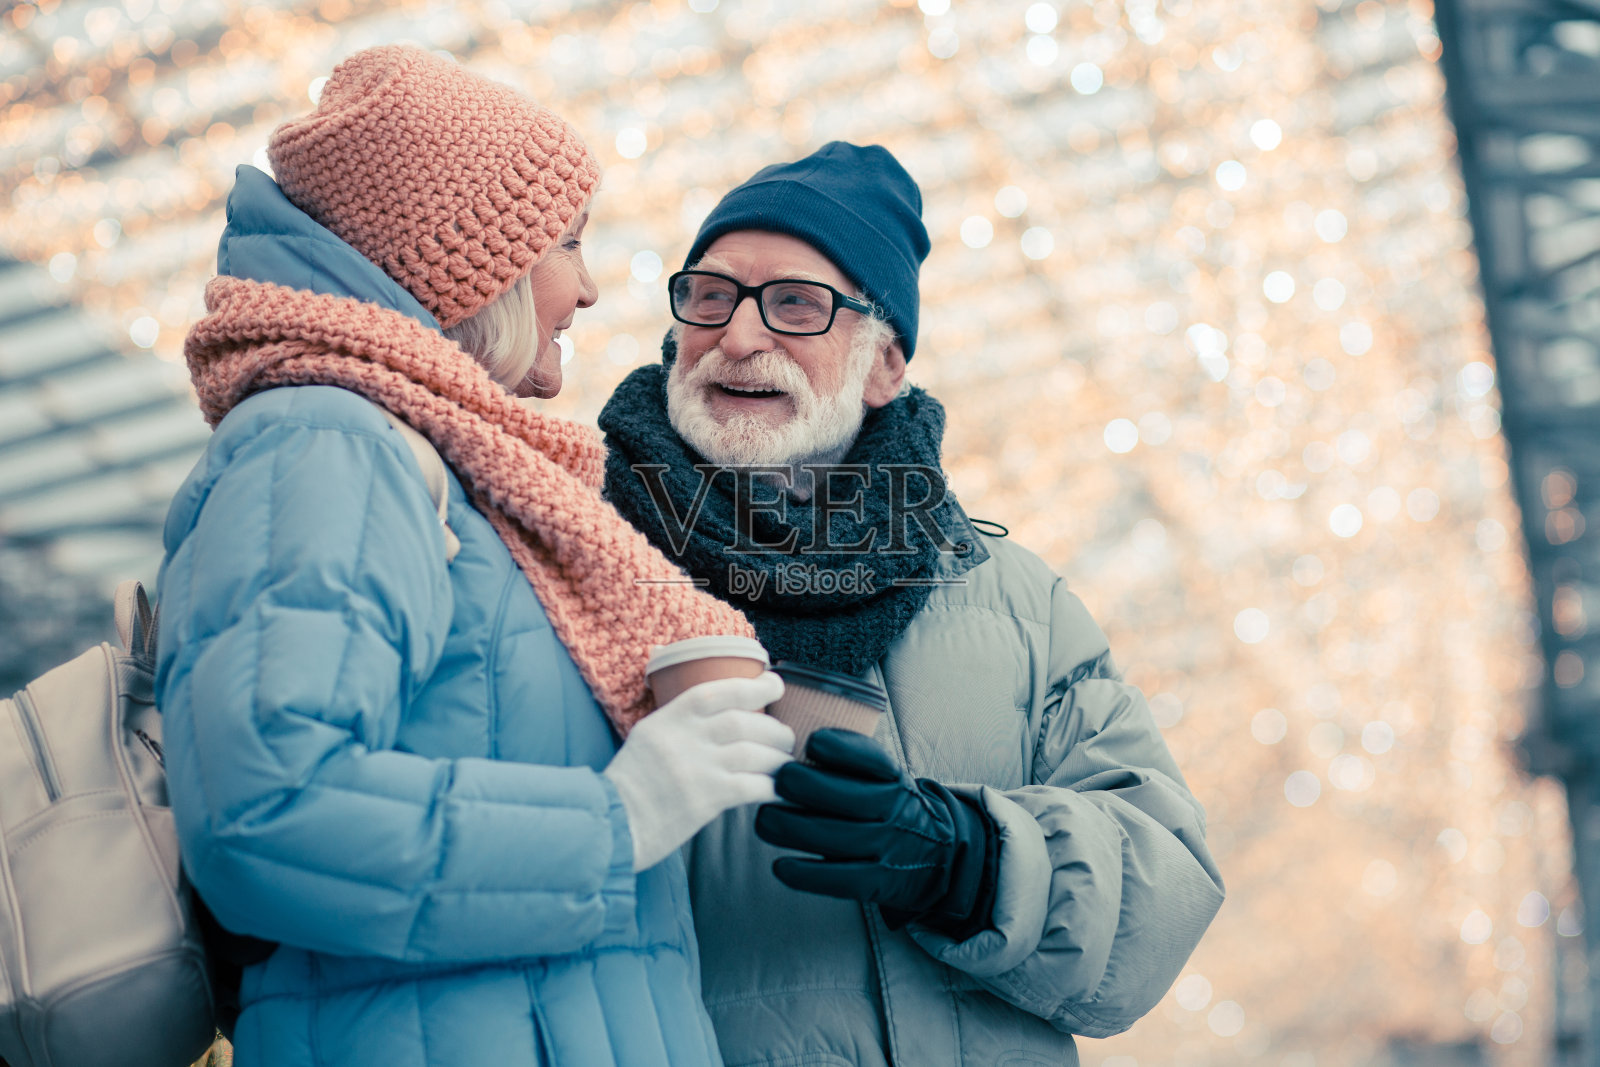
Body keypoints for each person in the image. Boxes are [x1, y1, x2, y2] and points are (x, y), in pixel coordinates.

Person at [157, 46, 795, 1067]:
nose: (587, 289)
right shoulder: (327, 444)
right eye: (566, 244)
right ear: (469, 264)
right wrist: (616, 820)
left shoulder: (475, 480)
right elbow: (266, 811)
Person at [599, 141, 1226, 1066]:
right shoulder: (583, 548)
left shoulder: (1013, 600)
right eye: (709, 294)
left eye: (796, 305)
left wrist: (967, 860)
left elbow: (1163, 886)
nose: (736, 336)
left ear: (884, 364)